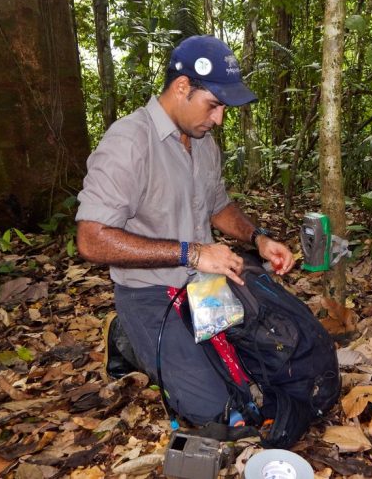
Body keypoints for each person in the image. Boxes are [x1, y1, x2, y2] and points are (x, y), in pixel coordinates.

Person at [75, 35, 294, 426]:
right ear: (181, 88)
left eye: (222, 108)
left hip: (203, 285)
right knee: (215, 413)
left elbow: (217, 205)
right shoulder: (129, 142)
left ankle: (153, 346)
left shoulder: (202, 139)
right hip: (148, 291)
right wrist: (191, 253)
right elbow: (91, 238)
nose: (219, 119)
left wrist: (258, 239)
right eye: (213, 105)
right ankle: (127, 335)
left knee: (268, 368)